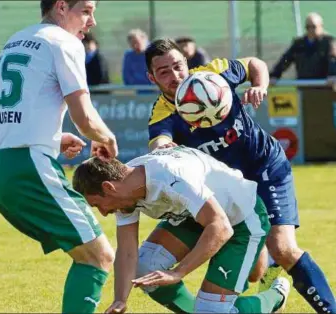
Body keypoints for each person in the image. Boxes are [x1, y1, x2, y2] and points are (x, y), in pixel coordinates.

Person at [144, 38, 336, 313]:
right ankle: (269, 284)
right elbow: (158, 141)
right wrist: (163, 147)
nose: (175, 76)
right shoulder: (163, 112)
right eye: (164, 72)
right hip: (228, 188)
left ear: (187, 62)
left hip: (265, 168)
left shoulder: (214, 75)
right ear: (152, 78)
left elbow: (254, 64)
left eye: (178, 66)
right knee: (256, 272)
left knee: (282, 247)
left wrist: (260, 85)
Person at [0, 1, 118, 313]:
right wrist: (107, 138)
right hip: (30, 168)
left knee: (90, 255)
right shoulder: (64, 42)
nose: (92, 21)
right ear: (61, 7)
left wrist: (54, 139)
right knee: (98, 257)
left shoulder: (15, 40)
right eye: (86, 10)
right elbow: (84, 117)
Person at [72, 146, 291, 314]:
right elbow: (127, 251)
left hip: (240, 219)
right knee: (144, 267)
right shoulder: (125, 189)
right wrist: (120, 299)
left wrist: (178, 272)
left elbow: (220, 227)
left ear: (108, 188)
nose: (102, 212)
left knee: (214, 310)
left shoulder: (170, 177)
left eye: (97, 204)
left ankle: (276, 295)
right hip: (193, 216)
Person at [270, 12, 336, 82]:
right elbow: (286, 59)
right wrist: (274, 75)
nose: (310, 30)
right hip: (304, 84)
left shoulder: (329, 42)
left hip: (324, 86)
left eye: (313, 27)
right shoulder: (299, 43)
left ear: (321, 26)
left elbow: (333, 60)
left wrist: (333, 75)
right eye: (308, 27)